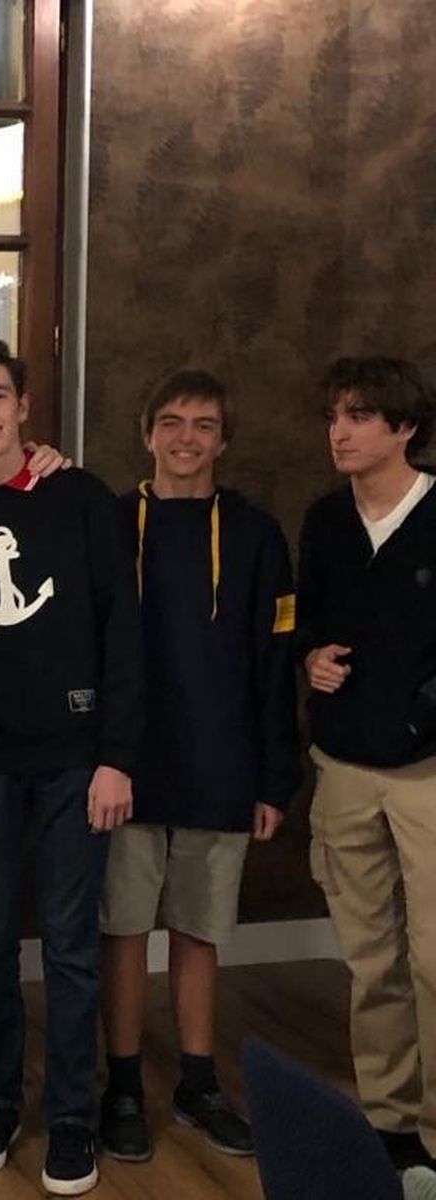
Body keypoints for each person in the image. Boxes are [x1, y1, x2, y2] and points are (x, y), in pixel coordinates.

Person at [0, 336, 142, 1197]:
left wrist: (116, 756)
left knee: (74, 949)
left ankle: (73, 1118)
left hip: (75, 763)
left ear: (24, 404)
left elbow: (122, 634)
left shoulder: (81, 501)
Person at [98, 370, 300, 1163]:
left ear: (224, 439)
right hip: (125, 768)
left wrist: (272, 777)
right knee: (121, 930)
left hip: (223, 766)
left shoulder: (256, 535)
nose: (187, 437)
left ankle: (195, 1079)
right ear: (147, 432)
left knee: (198, 931)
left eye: (205, 425)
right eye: (173, 422)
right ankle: (120, 1081)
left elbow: (274, 661)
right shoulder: (110, 524)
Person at [297, 356, 436, 1172]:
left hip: (426, 772)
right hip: (342, 766)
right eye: (333, 416)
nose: (338, 432)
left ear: (405, 428)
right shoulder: (323, 519)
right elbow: (305, 614)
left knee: (435, 959)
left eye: (358, 417)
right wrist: (309, 657)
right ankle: (389, 1121)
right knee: (373, 958)